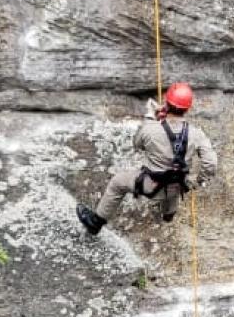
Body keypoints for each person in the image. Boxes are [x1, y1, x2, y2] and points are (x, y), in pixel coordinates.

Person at [76, 82, 218, 235]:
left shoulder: (151, 128)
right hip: (177, 186)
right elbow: (210, 163)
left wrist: (151, 117)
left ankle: (95, 223)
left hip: (151, 185)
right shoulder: (196, 133)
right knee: (175, 180)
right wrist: (197, 181)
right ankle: (168, 215)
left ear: (167, 104)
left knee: (117, 183)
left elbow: (137, 144)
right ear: (187, 108)